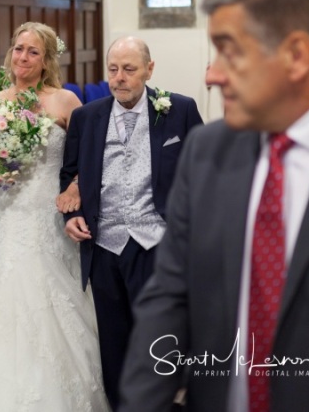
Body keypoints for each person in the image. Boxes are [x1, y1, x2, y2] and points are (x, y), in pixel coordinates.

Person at [120, 0, 309, 411]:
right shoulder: (208, 151)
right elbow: (171, 297)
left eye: (230, 52)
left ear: (296, 55)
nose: (212, 75)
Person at [0, 22, 109, 411]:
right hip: (2, 210)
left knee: (46, 291)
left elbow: (90, 158)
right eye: (19, 48)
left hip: (43, 212)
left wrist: (75, 190)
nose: (23, 57)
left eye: (33, 51)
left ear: (47, 59)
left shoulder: (65, 101)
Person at [61, 36, 203, 409]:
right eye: (113, 69)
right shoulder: (86, 117)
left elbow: (204, 172)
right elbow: (69, 176)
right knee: (113, 338)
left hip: (155, 242)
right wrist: (72, 215)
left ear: (149, 70)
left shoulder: (180, 111)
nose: (119, 78)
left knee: (159, 336)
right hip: (104, 244)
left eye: (129, 69)